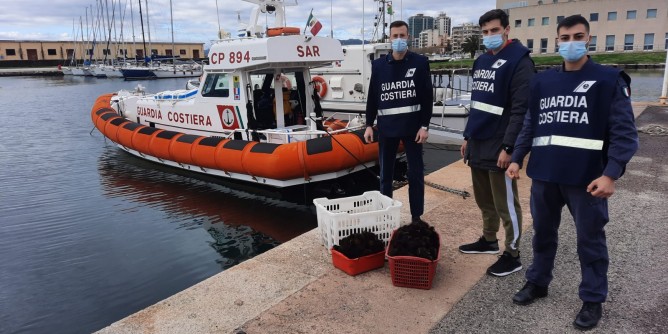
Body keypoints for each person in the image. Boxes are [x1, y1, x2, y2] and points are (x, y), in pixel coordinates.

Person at [506, 15, 638, 331]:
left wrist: (611, 173)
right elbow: (530, 124)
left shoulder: (608, 80)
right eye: (564, 38)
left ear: (588, 39)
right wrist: (517, 157)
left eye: (577, 36)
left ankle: (592, 299)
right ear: (557, 41)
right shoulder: (543, 82)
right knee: (543, 234)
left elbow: (624, 133)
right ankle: (538, 282)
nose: (570, 43)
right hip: (546, 175)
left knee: (590, 241)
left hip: (587, 179)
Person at [458, 9, 535, 277]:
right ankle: (489, 239)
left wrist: (510, 147)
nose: (489, 35)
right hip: (478, 141)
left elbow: (521, 110)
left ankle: (513, 253)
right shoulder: (481, 61)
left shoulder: (520, 62)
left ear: (506, 30)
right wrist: (467, 136)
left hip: (500, 143)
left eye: (494, 30)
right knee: (483, 199)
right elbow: (477, 104)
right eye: (485, 31)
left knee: (506, 203)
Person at [364, 20, 432, 224]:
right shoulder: (378, 66)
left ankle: (416, 216)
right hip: (387, 129)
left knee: (416, 174)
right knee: (385, 175)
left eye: (403, 36)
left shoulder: (420, 63)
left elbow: (427, 97)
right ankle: (386, 213)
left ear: (408, 37)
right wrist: (369, 124)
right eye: (395, 36)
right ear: (390, 38)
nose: (399, 40)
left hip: (413, 129)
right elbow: (372, 97)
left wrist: (425, 125)